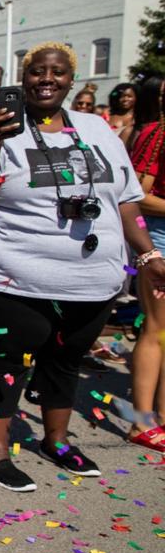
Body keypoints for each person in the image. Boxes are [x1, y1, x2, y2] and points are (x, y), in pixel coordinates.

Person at [0, 44, 165, 491]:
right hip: (10, 272)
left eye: (56, 72)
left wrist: (148, 256)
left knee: (65, 360)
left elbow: (125, 200)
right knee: (6, 360)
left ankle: (56, 440)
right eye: (36, 71)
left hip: (93, 278)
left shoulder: (96, 128)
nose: (45, 79)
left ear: (71, 80)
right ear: (24, 77)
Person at [124, 76, 165, 451]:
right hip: (159, 238)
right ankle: (142, 422)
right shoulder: (156, 133)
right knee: (156, 329)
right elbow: (138, 194)